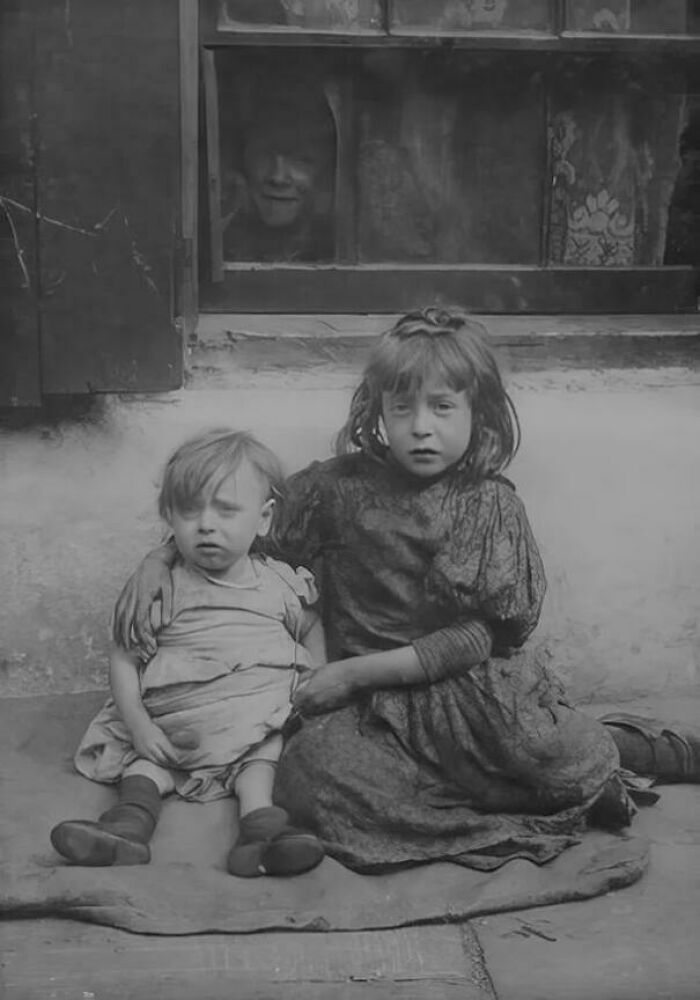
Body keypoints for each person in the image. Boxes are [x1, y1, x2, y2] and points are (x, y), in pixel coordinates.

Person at [113, 309, 700, 873]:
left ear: (480, 415)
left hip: (468, 696)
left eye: (443, 408)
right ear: (378, 413)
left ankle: (632, 751)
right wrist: (158, 557)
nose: (421, 427)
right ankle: (509, 805)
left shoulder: (488, 504)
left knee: (548, 755)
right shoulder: (336, 490)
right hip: (368, 714)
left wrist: (349, 675)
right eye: (403, 409)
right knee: (309, 780)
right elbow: (242, 524)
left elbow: (477, 638)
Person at [50, 429, 326, 878]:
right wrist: (139, 725)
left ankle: (262, 836)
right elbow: (125, 656)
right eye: (189, 511)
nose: (207, 525)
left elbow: (312, 625)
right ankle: (125, 829)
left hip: (251, 727)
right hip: (174, 727)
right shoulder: (162, 587)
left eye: (227, 509)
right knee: (145, 770)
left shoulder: (278, 584)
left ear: (264, 518)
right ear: (169, 518)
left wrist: (317, 676)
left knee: (261, 763)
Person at [222, 91, 336, 263]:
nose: (278, 178)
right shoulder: (215, 243)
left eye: (301, 159)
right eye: (263, 154)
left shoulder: (336, 250)